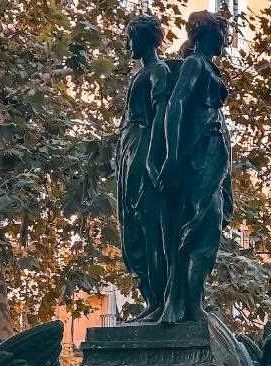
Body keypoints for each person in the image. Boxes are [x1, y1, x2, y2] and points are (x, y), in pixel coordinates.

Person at [155, 10, 233, 324]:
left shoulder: (207, 67)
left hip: (213, 153)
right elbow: (175, 105)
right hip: (197, 152)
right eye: (221, 33)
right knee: (201, 227)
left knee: (208, 227)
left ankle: (191, 302)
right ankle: (186, 304)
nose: (225, 39)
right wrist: (173, 158)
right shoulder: (195, 64)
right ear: (205, 34)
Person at [117, 16, 172, 321]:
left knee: (150, 228)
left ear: (146, 40)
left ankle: (159, 301)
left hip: (142, 150)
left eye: (132, 38)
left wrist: (154, 159)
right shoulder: (140, 75)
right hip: (128, 152)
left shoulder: (159, 72)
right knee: (133, 228)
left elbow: (163, 118)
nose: (129, 44)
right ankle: (151, 299)